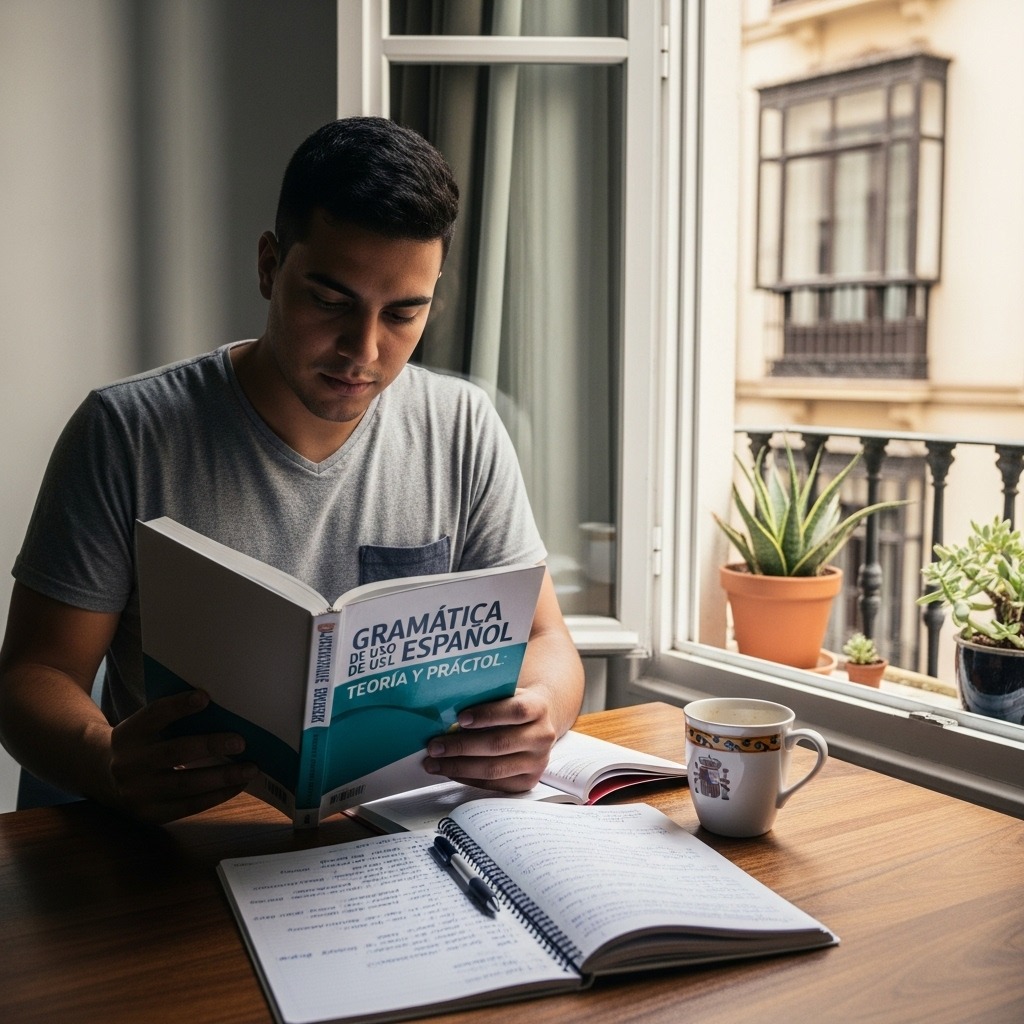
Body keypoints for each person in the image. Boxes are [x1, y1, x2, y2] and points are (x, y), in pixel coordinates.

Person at [0, 117, 584, 824]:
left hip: (393, 839)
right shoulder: (126, 432)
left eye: (403, 313)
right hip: (185, 844)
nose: (363, 350)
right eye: (331, 302)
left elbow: (548, 641)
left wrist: (541, 711)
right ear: (270, 265)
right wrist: (105, 760)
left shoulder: (461, 425)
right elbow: (34, 678)